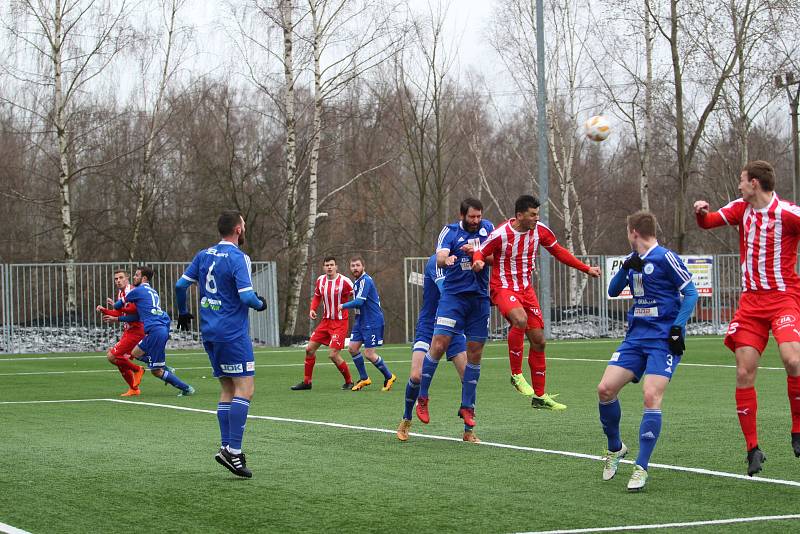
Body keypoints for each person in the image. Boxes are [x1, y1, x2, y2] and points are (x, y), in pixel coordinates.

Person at [694, 160, 800, 476]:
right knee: (744, 371)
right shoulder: (742, 209)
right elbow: (710, 221)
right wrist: (701, 212)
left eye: (741, 180)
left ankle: (797, 428)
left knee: (792, 361)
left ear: (754, 183)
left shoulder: (789, 213)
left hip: (783, 300)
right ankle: (752, 448)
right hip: (751, 305)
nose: (738, 186)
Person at [597, 211, 698, 491]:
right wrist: (626, 267)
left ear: (633, 233)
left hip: (662, 340)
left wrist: (677, 328)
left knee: (651, 396)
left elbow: (691, 293)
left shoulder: (665, 257)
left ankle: (641, 467)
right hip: (635, 338)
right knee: (605, 389)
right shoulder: (633, 261)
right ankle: (615, 448)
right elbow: (614, 290)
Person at [473, 194, 601, 410]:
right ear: (519, 215)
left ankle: (540, 396)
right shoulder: (501, 234)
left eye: (537, 215)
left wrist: (585, 268)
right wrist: (477, 261)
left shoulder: (540, 231)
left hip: (526, 290)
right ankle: (516, 375)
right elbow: (480, 251)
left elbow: (558, 251)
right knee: (520, 320)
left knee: (539, 341)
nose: (536, 218)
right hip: (503, 287)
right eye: (532, 215)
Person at [175, 210, 268, 479]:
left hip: (210, 332)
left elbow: (181, 285)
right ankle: (234, 451)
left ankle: (227, 446)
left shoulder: (204, 255)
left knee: (228, 387)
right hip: (232, 333)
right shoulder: (239, 258)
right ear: (238, 229)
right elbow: (248, 297)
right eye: (244, 224)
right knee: (245, 389)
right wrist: (261, 303)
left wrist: (183, 312)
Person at [415, 198, 494, 430]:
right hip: (454, 298)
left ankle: (467, 406)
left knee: (475, 353)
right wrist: (447, 258)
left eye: (479, 216)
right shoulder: (449, 232)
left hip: (479, 299)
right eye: (472, 217)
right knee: (439, 344)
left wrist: (478, 255)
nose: (476, 221)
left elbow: (494, 257)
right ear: (462, 215)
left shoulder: (488, 229)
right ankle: (423, 397)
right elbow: (440, 256)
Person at [396, 254, 477, 443]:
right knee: (416, 376)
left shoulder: (466, 261)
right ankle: (407, 418)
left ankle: (468, 430)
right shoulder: (436, 262)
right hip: (429, 326)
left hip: (453, 326)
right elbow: (446, 291)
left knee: (468, 376)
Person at [112, 266, 194, 399]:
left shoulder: (137, 291)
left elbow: (117, 306)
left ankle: (186, 388)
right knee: (135, 353)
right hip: (159, 328)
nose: (134, 278)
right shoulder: (153, 291)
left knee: (156, 371)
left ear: (143, 278)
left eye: (137, 275)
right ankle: (164, 367)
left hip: (156, 331)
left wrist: (115, 305)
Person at [290, 257, 354, 390]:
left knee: (333, 355)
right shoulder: (320, 280)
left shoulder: (345, 282)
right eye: (326, 265)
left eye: (331, 265)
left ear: (336, 266)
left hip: (340, 323)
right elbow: (317, 296)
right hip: (325, 322)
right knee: (309, 349)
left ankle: (349, 381)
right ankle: (307, 382)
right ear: (324, 267)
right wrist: (313, 309)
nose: (329, 267)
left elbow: (357, 296)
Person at [339, 256, 396, 392]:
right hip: (361, 320)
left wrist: (343, 305)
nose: (355, 268)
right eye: (352, 266)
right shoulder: (357, 282)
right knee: (352, 348)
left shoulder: (366, 280)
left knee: (369, 354)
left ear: (363, 266)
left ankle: (389, 376)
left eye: (357, 265)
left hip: (372, 320)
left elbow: (359, 302)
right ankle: (364, 378)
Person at [96, 269, 146, 396]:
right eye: (116, 279)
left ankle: (138, 369)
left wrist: (116, 317)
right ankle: (134, 389)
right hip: (128, 331)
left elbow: (135, 314)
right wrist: (104, 310)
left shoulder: (132, 291)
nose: (118, 281)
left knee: (112, 356)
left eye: (120, 277)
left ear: (127, 278)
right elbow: (119, 313)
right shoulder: (121, 294)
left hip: (136, 330)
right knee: (118, 359)